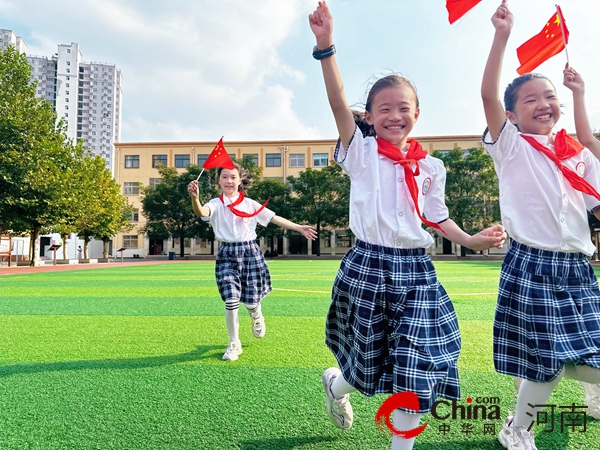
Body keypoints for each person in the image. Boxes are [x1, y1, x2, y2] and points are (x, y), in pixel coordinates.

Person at [309, 3, 506, 449]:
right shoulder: (359, 153)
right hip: (369, 268)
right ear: (371, 116)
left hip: (417, 272)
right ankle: (336, 385)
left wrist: (471, 239)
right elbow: (338, 101)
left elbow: (436, 218)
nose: (394, 115)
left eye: (403, 108)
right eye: (383, 109)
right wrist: (326, 46)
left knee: (415, 369)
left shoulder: (432, 166)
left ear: (418, 113)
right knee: (368, 368)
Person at [481, 2, 600, 449]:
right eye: (530, 99)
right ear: (512, 116)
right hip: (532, 264)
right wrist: (501, 35)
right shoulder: (511, 147)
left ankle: (584, 385)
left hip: (578, 269)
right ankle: (517, 429)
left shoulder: (576, 155)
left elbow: (597, 202)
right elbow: (490, 97)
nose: (543, 104)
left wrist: (580, 93)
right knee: (544, 362)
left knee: (576, 358)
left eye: (549, 96)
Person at [187, 162, 317, 361]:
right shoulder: (215, 203)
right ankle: (234, 343)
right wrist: (195, 199)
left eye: (233, 177)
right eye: (224, 177)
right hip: (227, 254)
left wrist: (299, 227)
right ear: (218, 181)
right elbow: (201, 213)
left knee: (251, 301)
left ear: (240, 180)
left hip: (250, 253)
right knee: (230, 300)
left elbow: (274, 218)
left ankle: (256, 314)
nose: (229, 181)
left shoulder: (250, 204)